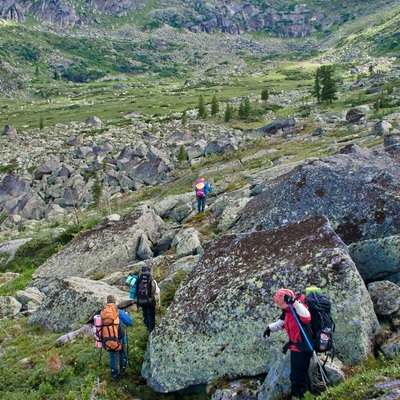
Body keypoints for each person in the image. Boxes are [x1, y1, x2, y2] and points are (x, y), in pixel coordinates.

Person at [263, 288, 312, 399]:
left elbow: (306, 317)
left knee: (296, 377)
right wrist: (269, 329)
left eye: (279, 303)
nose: (278, 306)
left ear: (285, 302)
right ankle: (308, 395)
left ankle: (299, 397)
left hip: (303, 347)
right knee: (302, 374)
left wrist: (294, 302)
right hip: (295, 346)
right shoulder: (288, 311)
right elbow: (281, 323)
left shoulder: (298, 308)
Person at [101, 295, 132, 381]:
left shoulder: (102, 313)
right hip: (121, 339)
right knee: (122, 353)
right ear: (114, 302)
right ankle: (123, 370)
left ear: (107, 302)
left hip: (107, 340)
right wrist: (127, 315)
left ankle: (114, 375)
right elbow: (129, 322)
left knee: (113, 357)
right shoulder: (119, 312)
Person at [135, 265, 160, 332]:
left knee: (145, 314)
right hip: (150, 301)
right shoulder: (151, 280)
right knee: (151, 316)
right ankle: (151, 331)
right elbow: (157, 292)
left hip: (141, 301)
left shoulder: (138, 279)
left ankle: (147, 327)